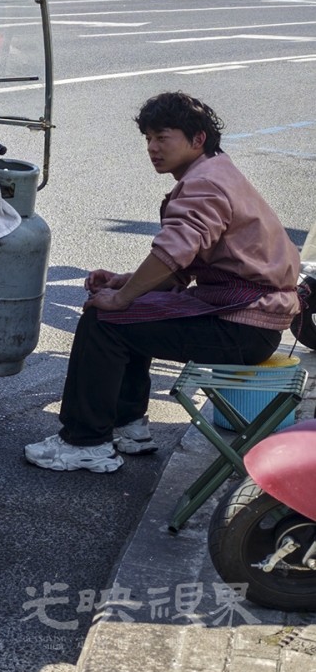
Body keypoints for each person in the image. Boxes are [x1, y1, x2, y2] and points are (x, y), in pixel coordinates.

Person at [25, 92, 300, 473]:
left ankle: (84, 442)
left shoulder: (204, 184)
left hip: (242, 325)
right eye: (148, 139)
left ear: (197, 138)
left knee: (104, 320)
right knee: (135, 311)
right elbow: (181, 263)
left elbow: (173, 252)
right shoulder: (218, 171)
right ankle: (128, 426)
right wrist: (125, 284)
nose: (152, 148)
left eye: (162, 137)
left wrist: (120, 298)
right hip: (249, 319)